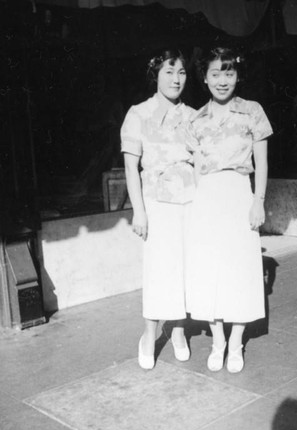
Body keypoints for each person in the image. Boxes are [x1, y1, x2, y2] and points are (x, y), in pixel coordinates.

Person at [186, 47, 273, 373]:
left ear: (238, 75)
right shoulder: (196, 119)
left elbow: (262, 163)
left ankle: (236, 341)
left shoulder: (252, 112)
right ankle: (218, 339)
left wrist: (258, 201)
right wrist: (197, 203)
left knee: (239, 268)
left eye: (229, 73)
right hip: (207, 196)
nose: (223, 81)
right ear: (205, 78)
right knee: (209, 269)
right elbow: (195, 168)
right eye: (216, 74)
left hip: (239, 193)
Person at [120, 49, 195, 370]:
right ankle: (149, 335)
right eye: (169, 71)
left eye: (181, 72)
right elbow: (130, 167)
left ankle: (178, 331)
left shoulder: (194, 115)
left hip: (190, 202)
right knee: (157, 269)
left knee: (185, 270)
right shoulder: (138, 114)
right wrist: (139, 210)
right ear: (156, 74)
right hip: (155, 200)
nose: (176, 79)